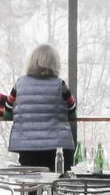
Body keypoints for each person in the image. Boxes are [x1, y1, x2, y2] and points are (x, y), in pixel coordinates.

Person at [9, 44, 76, 174]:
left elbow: (7, 111)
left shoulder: (19, 85)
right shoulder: (61, 85)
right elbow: (72, 112)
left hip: (28, 147)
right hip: (58, 148)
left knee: (31, 190)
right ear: (55, 64)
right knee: (59, 188)